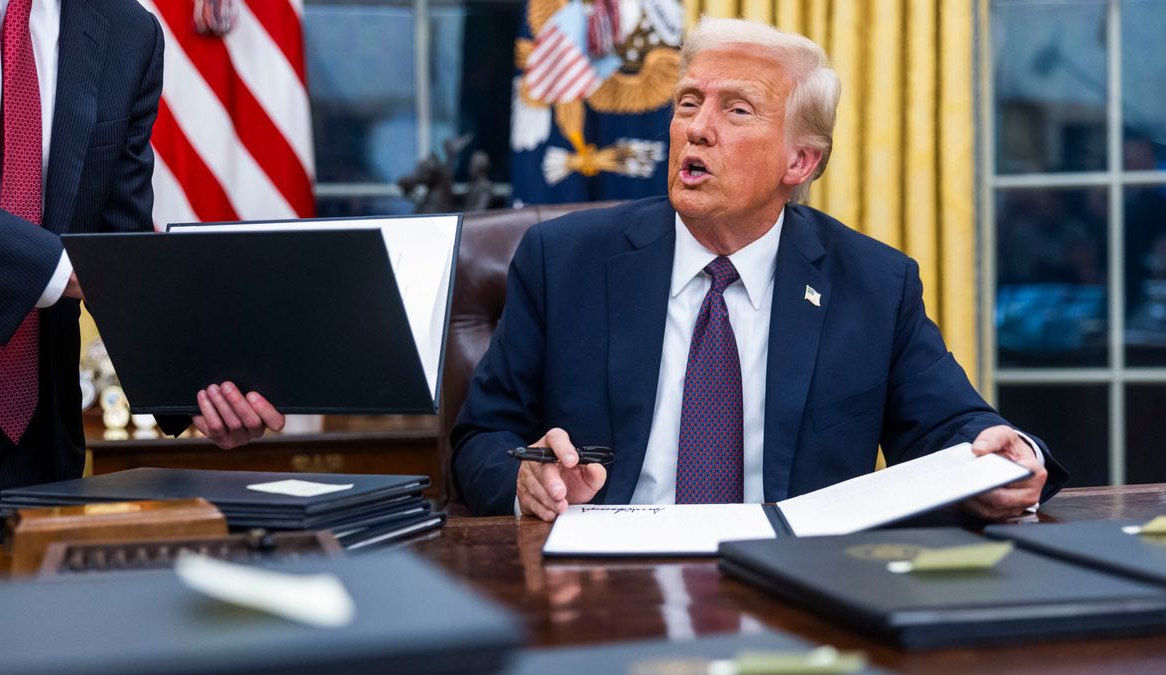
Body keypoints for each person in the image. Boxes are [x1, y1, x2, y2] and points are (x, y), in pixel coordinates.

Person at [451, 18, 1068, 521]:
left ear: (800, 161)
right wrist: (526, 479)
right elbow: (481, 439)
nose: (697, 127)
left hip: (798, 580)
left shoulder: (874, 283)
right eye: (688, 102)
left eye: (737, 111)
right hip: (606, 580)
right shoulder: (563, 262)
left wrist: (1010, 455)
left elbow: (952, 426)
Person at [0, 0, 277, 549]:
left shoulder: (127, 31)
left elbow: (119, 232)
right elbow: (95, 266)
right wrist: (66, 271)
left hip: (31, 443)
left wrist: (199, 386)